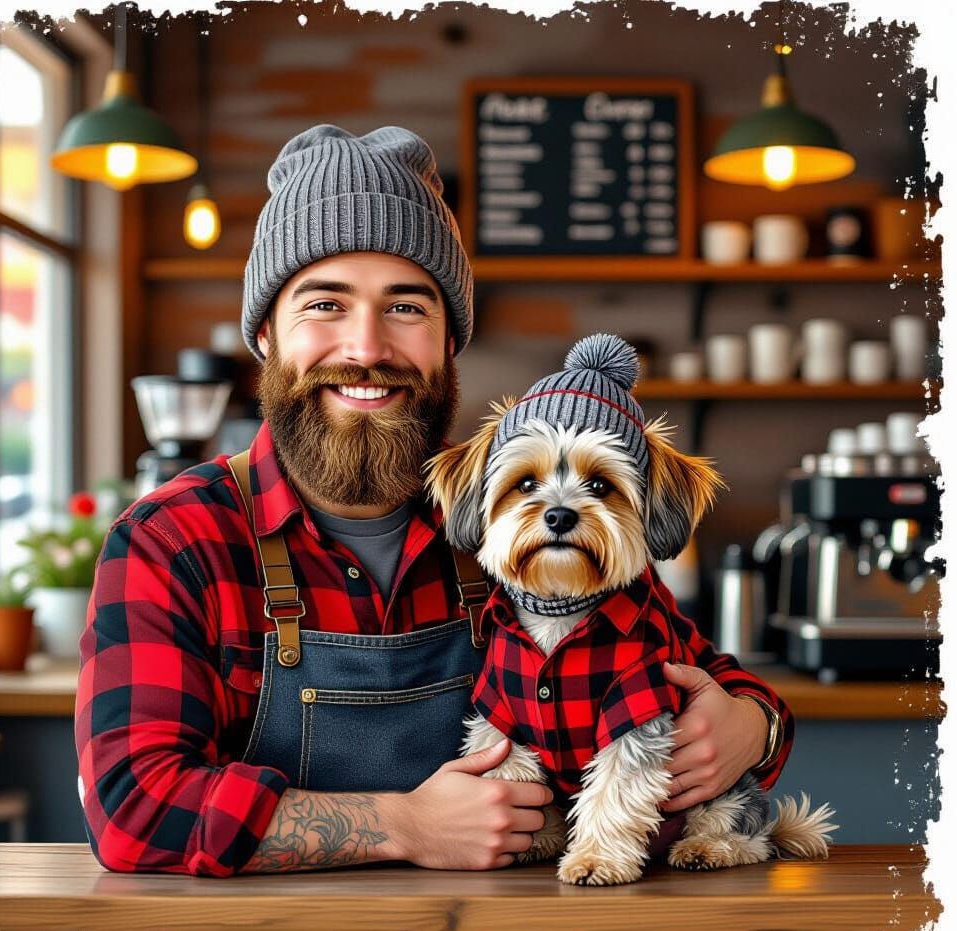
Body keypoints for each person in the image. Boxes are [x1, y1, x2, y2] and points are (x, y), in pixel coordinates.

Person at [75, 125, 792, 877]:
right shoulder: (174, 539)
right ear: (266, 335)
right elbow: (134, 810)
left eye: (407, 308)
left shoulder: (505, 515)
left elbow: (700, 670)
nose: (366, 347)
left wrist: (753, 728)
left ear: (450, 340)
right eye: (325, 304)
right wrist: (400, 826)